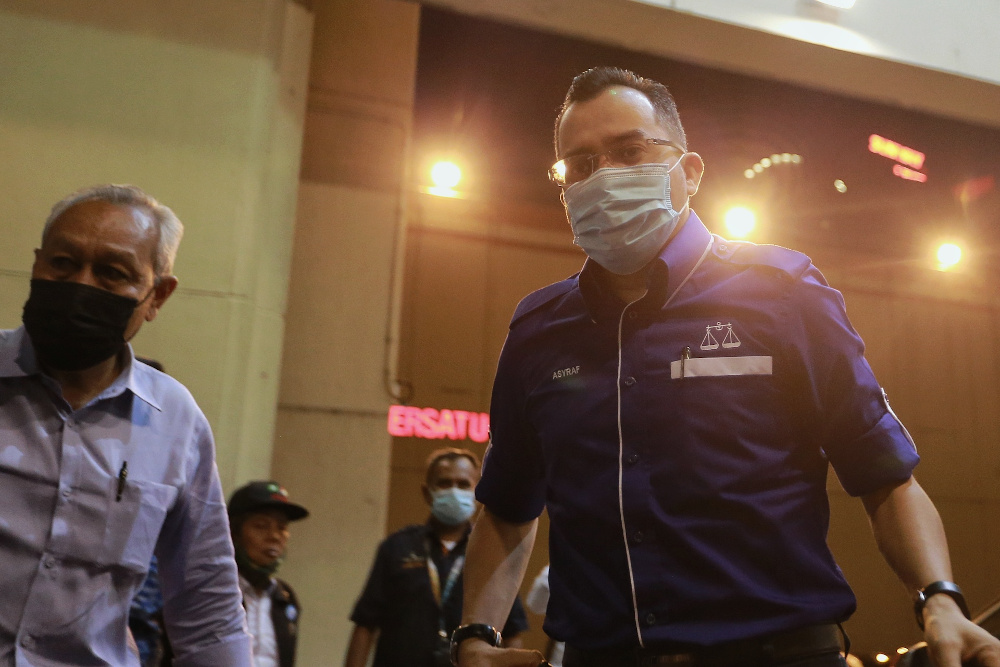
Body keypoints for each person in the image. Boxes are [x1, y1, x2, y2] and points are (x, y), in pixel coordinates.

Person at [451, 67, 1000, 667]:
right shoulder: (538, 330)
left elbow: (883, 474)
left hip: (776, 654)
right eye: (579, 164)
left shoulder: (783, 292)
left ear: (689, 171)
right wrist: (475, 634)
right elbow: (506, 507)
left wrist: (939, 597)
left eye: (630, 151)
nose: (603, 176)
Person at [0, 184, 252, 666]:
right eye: (63, 263)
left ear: (157, 296)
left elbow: (207, 608)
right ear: (37, 263)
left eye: (112, 274)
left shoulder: (175, 422)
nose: (81, 285)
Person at [345, 448, 529, 667]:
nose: (454, 490)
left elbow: (512, 631)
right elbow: (365, 624)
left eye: (463, 484)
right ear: (427, 492)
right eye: (444, 483)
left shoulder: (491, 553)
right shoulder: (397, 547)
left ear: (477, 491)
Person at [228, 481, 310, 667]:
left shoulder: (284, 598)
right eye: (261, 526)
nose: (274, 536)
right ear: (234, 533)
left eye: (282, 527)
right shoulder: (213, 590)